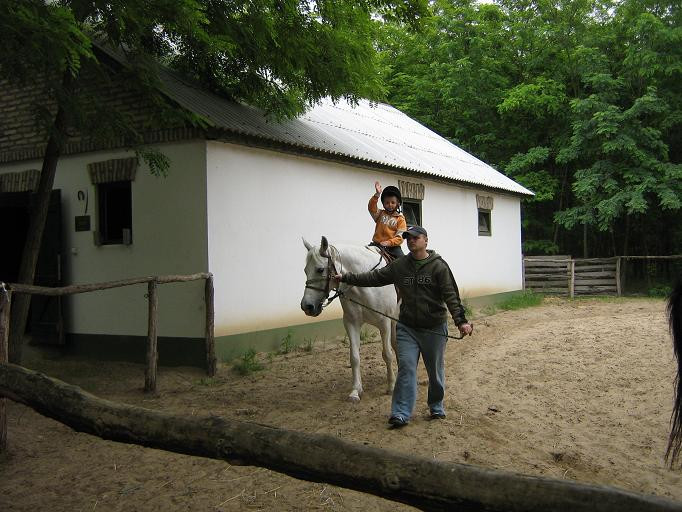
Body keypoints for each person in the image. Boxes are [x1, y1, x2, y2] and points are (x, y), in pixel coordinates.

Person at [334, 225, 473, 428]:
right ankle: (400, 412)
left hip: (433, 327)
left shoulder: (438, 266)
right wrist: (347, 277)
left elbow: (451, 295)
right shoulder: (400, 266)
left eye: (416, 237)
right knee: (406, 368)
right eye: (408, 238)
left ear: (426, 240)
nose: (411, 241)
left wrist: (460, 321)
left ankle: (436, 406)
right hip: (407, 327)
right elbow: (374, 277)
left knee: (435, 371)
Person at [368, 181, 407, 259]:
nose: (390, 205)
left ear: (398, 204)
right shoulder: (379, 214)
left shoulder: (400, 219)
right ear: (383, 204)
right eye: (387, 202)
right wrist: (377, 195)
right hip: (376, 244)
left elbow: (400, 237)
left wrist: (388, 242)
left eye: (393, 202)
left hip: (393, 248)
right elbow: (371, 207)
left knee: (403, 261)